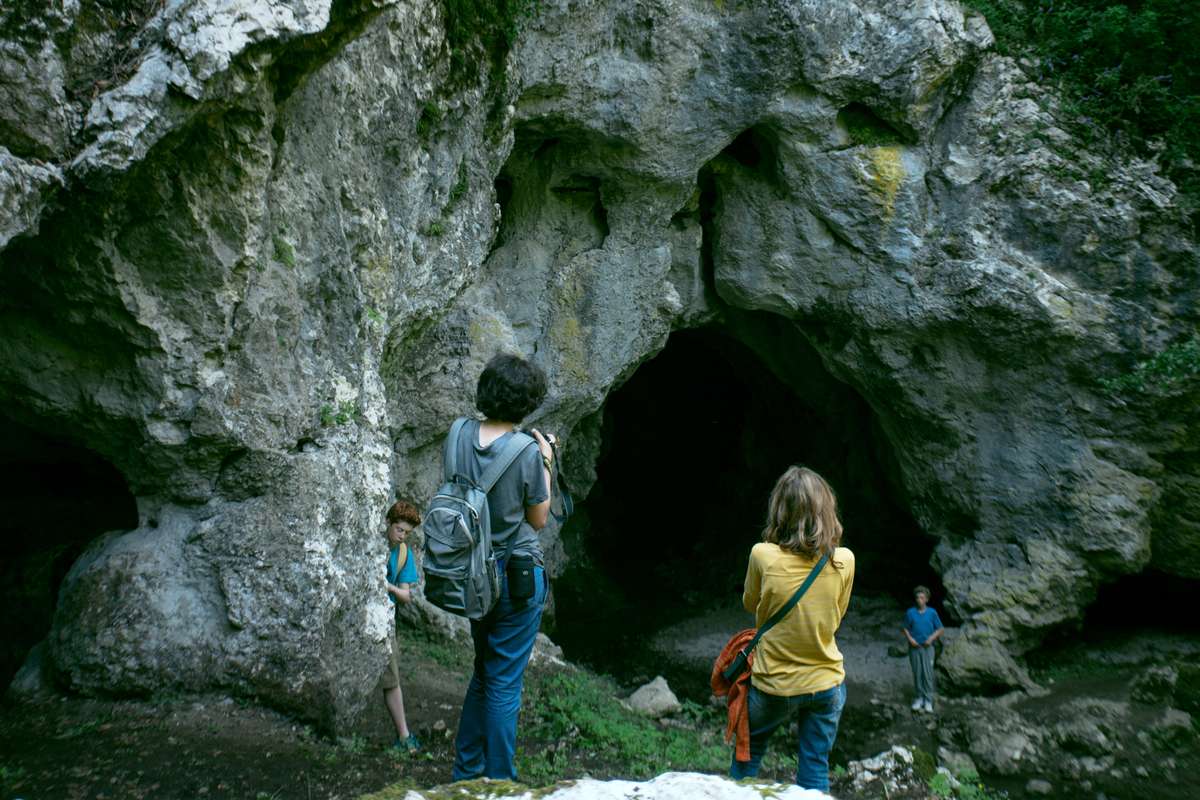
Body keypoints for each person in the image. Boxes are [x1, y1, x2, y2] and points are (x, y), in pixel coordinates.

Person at [451, 353, 557, 782]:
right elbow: (539, 518)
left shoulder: (458, 434)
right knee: (504, 682)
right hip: (516, 575)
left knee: (483, 671)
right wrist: (546, 461)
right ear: (526, 402)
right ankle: (499, 782)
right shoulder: (526, 450)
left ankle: (466, 773)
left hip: (473, 573)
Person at [730, 466, 856, 793]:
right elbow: (836, 616)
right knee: (815, 767)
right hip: (826, 682)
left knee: (748, 758)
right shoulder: (844, 560)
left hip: (774, 683)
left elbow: (751, 604)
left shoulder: (762, 555)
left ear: (780, 509)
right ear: (826, 510)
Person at [380, 500, 421, 751]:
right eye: (399, 529)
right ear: (388, 523)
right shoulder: (374, 544)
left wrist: (388, 587)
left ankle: (404, 736)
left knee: (392, 676)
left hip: (384, 620)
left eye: (406, 532)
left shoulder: (404, 553)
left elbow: (406, 595)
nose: (402, 536)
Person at [903, 585, 943, 713]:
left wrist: (931, 639)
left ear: (926, 599)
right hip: (914, 648)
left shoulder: (932, 613)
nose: (919, 600)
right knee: (917, 673)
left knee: (927, 674)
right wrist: (910, 640)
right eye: (917, 597)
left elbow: (940, 629)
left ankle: (928, 700)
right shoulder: (910, 612)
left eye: (922, 598)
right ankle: (919, 698)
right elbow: (905, 628)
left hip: (928, 648)